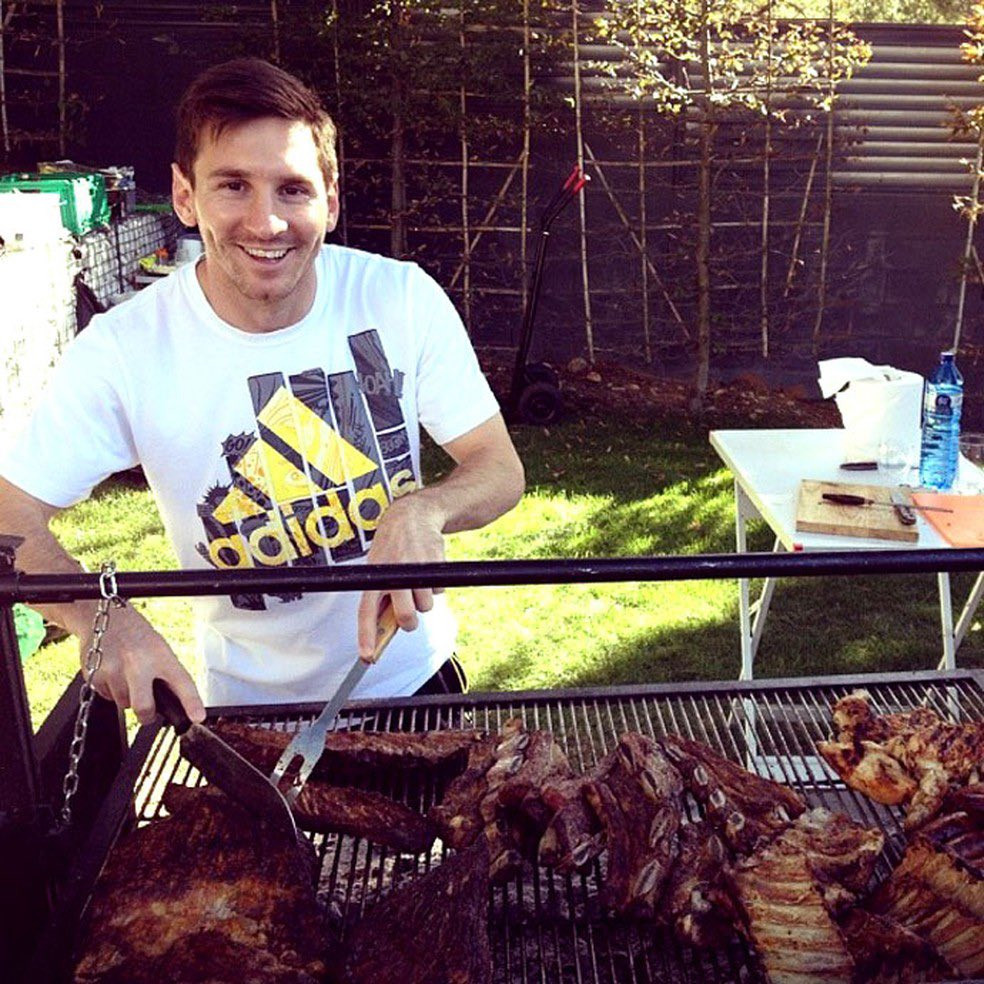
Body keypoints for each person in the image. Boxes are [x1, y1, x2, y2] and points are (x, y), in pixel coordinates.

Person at [0, 58, 524, 725]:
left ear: (330, 202)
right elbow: (7, 511)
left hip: (414, 684)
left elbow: (499, 467)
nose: (266, 222)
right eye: (233, 186)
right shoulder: (124, 351)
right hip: (246, 715)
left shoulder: (400, 299)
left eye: (292, 190)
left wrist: (425, 510)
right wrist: (102, 619)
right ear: (185, 196)